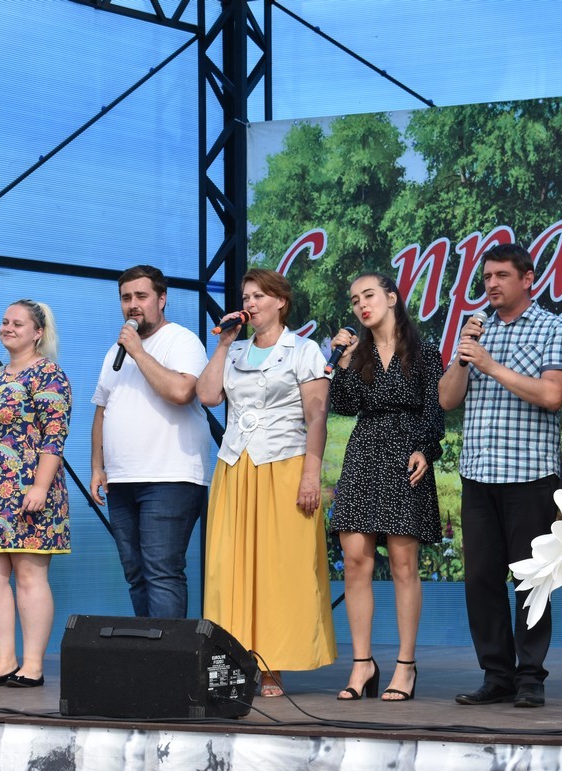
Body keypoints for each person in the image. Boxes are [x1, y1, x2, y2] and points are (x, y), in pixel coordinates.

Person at [439, 243, 562, 709]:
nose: (492, 284)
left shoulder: (553, 328)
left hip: (530, 477)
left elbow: (552, 395)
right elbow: (447, 399)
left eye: (501, 275)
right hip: (479, 477)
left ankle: (530, 677)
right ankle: (496, 674)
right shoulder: (477, 332)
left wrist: (490, 364)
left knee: (531, 581)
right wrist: (463, 358)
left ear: (528, 279)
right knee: (480, 581)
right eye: (486, 277)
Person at [197, 269, 337, 697]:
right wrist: (223, 343)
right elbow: (207, 396)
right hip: (235, 468)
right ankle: (231, 664)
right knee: (229, 568)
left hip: (284, 465)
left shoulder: (303, 350)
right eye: (246, 297)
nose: (250, 304)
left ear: (281, 302)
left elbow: (316, 416)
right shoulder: (235, 350)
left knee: (280, 568)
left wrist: (311, 474)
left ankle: (272, 664)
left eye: (259, 296)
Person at [327, 272, 445, 702]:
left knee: (402, 564)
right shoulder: (357, 354)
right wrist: (343, 361)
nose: (362, 304)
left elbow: (435, 410)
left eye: (369, 295)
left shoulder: (424, 351)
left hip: (405, 453)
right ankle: (362, 664)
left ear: (392, 297)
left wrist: (425, 450)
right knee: (355, 560)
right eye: (355, 299)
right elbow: (344, 405)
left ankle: (405, 666)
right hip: (364, 452)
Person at [89, 265, 211, 619]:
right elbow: (102, 410)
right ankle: (147, 649)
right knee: (136, 574)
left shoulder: (182, 340)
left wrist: (139, 352)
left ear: (162, 299)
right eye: (126, 297)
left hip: (170, 477)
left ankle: (167, 653)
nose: (133, 304)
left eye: (141, 296)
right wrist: (97, 467)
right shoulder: (114, 352)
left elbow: (182, 392)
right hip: (121, 479)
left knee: (162, 571)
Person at [0, 299, 71, 688]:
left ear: (38, 332)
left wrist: (40, 487)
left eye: (18, 323)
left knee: (28, 575)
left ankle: (33, 666)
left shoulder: (49, 374)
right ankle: (4, 661)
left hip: (29, 490)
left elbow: (54, 436)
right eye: (5, 321)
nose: (8, 327)